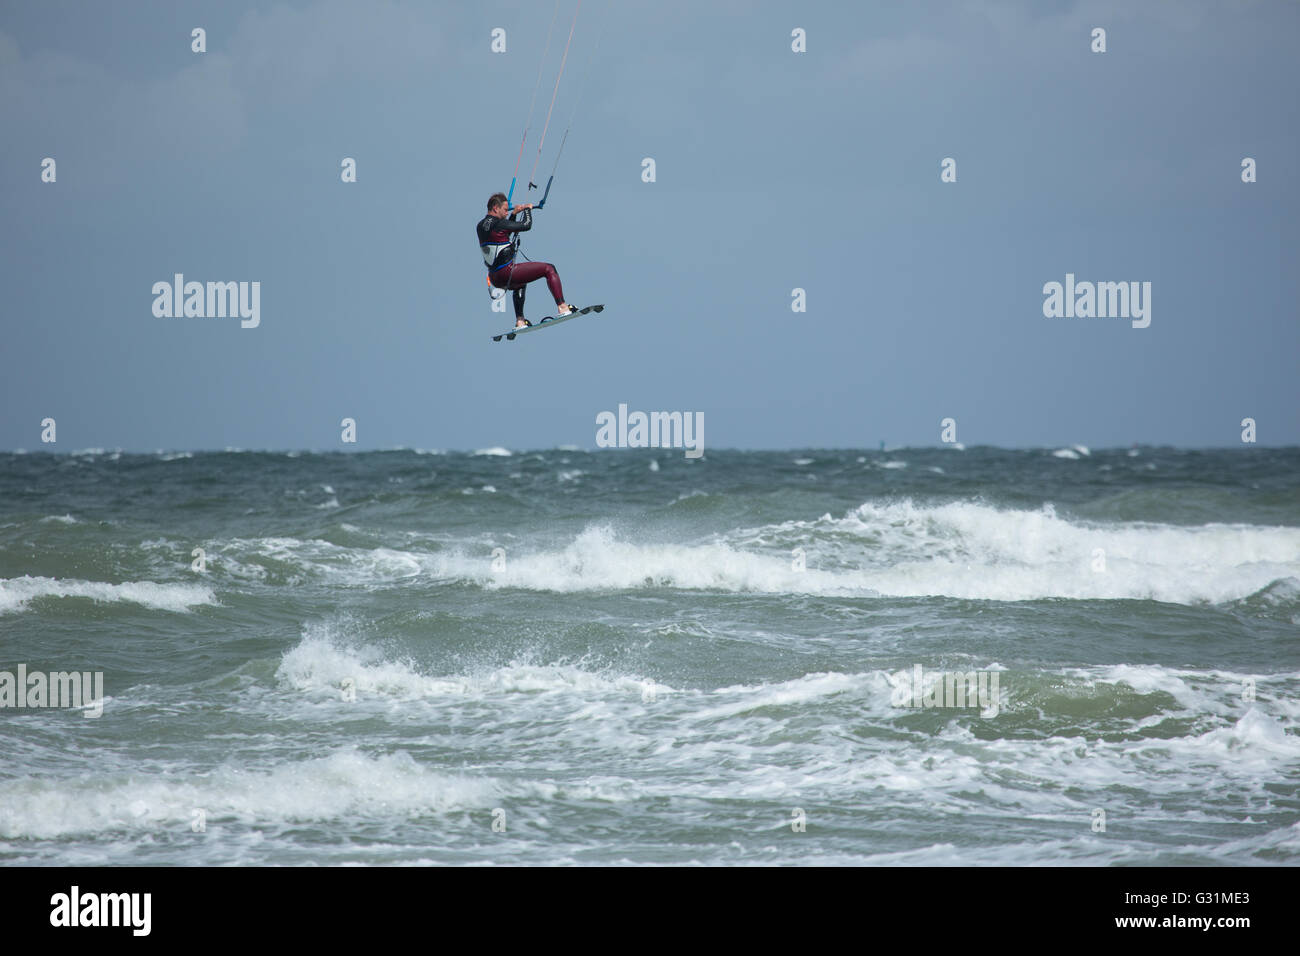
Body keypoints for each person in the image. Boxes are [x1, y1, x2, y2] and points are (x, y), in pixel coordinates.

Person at [476, 192, 574, 328]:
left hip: (495, 278)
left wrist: (514, 214)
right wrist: (528, 209)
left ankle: (520, 321)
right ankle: (562, 306)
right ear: (495, 208)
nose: (506, 213)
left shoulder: (480, 226)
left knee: (521, 283)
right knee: (549, 268)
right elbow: (526, 225)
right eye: (505, 210)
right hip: (507, 273)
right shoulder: (499, 223)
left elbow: (504, 233)